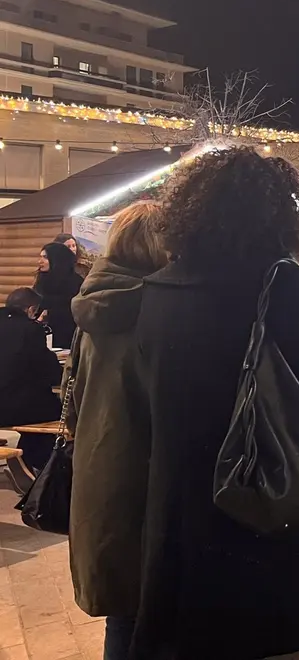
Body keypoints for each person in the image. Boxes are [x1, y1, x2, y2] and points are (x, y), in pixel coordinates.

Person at [131, 147, 299, 660]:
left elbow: (148, 397)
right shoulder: (288, 289)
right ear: (275, 214)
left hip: (179, 520)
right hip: (264, 518)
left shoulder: (159, 289)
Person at [66, 202, 169, 660]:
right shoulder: (159, 311)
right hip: (147, 473)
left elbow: (73, 400)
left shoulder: (92, 306)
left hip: (98, 471)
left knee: (122, 613)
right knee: (153, 609)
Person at [0, 287, 61, 470]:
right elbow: (49, 372)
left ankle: (25, 461)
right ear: (31, 310)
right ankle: (37, 465)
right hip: (14, 408)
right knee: (54, 409)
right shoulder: (30, 330)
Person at [34, 240, 84, 348]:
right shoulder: (42, 281)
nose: (40, 261)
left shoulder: (75, 282)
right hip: (42, 336)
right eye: (40, 257)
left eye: (45, 257)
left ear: (57, 259)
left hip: (67, 338)